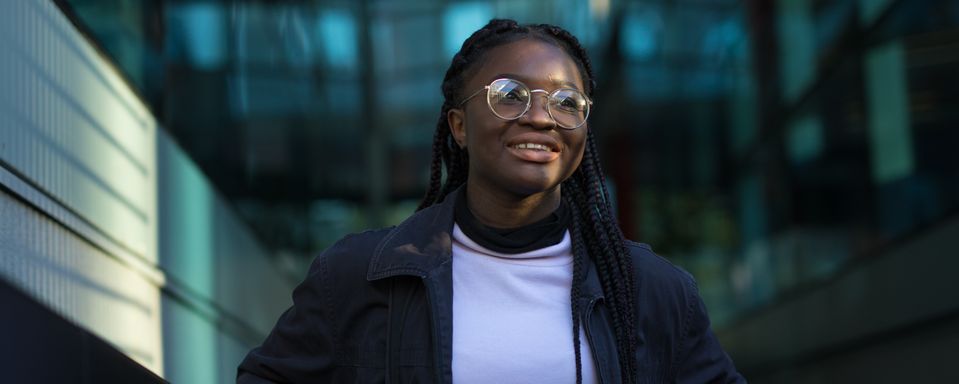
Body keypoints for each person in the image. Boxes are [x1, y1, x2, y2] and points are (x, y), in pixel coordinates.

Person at [237, 19, 744, 384]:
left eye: (567, 103)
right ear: (458, 125)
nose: (542, 118)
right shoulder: (358, 277)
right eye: (510, 95)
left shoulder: (653, 291)